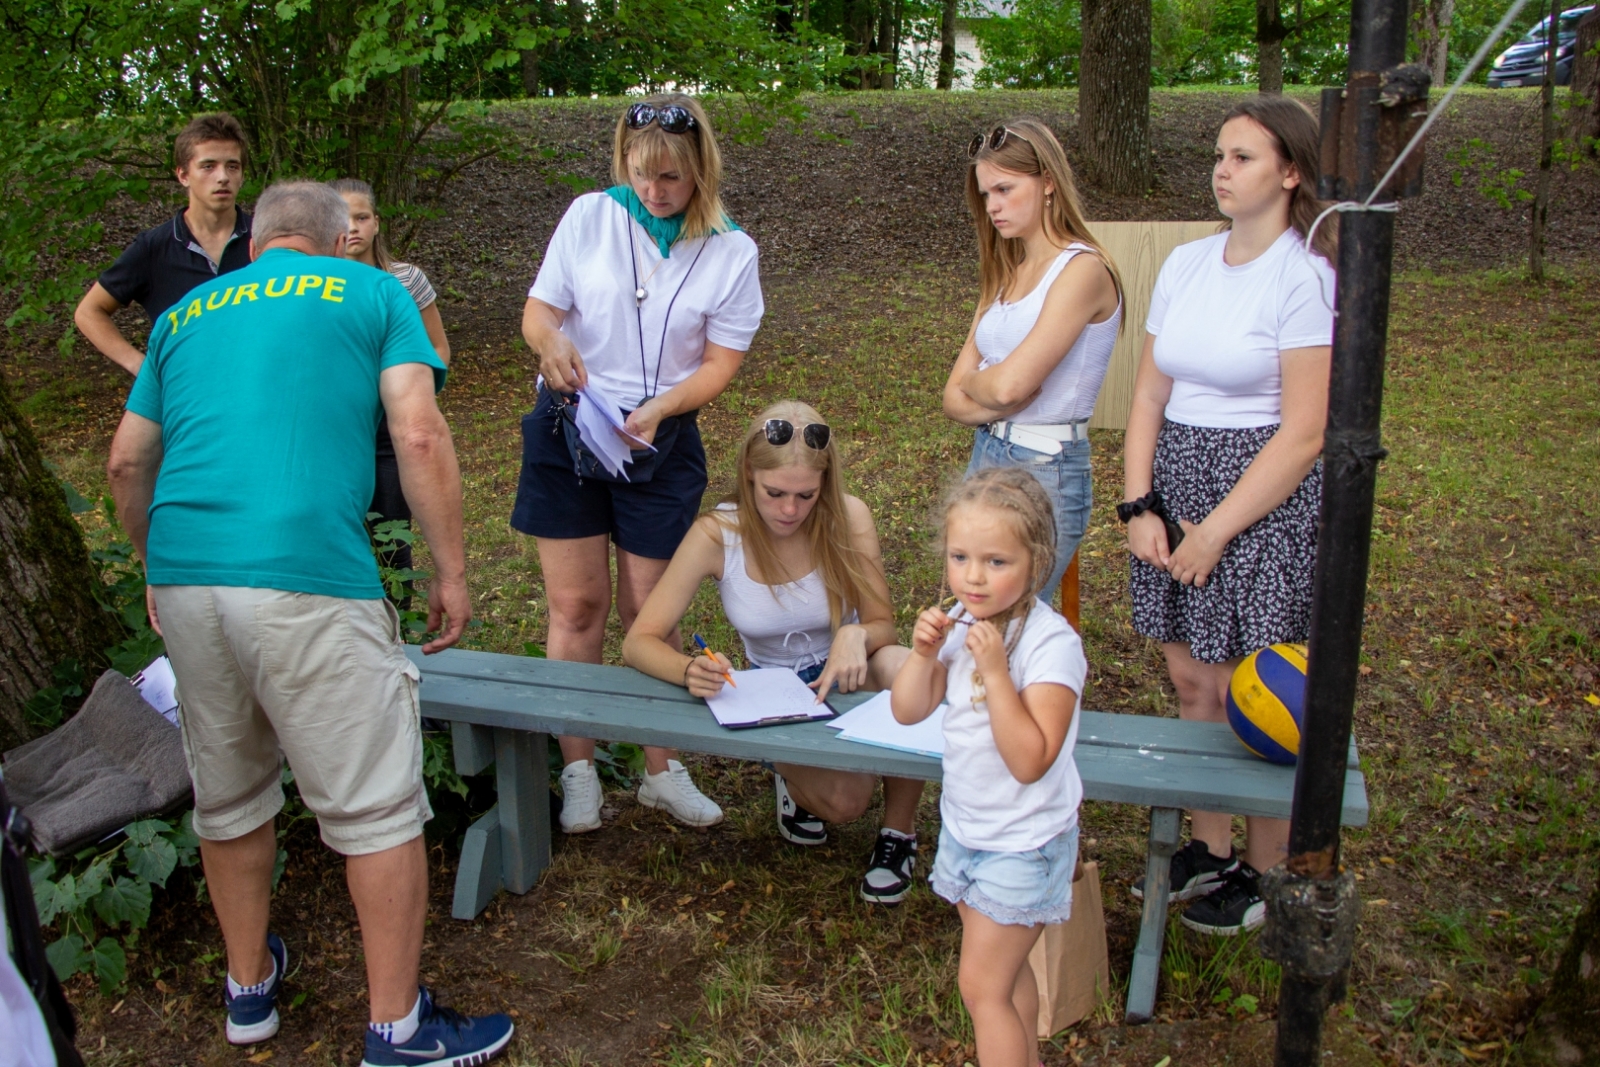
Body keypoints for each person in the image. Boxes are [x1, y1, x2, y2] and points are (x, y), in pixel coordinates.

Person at [105, 181, 513, 1065]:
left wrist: (154, 564)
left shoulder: (181, 316)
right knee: (376, 804)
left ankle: (248, 991)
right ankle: (397, 1030)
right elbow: (419, 435)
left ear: (255, 241)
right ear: (337, 239)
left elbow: (128, 459)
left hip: (186, 576)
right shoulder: (373, 291)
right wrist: (451, 569)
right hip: (309, 577)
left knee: (230, 795)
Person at [515, 92, 764, 834]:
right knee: (577, 607)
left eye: (671, 178)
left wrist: (661, 407)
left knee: (650, 613)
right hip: (568, 434)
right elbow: (541, 312)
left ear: (701, 172)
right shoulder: (589, 215)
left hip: (660, 440)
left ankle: (661, 767)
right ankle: (579, 766)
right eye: (641, 171)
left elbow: (722, 362)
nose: (653, 190)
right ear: (623, 159)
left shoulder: (732, 249)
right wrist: (550, 344)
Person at [1119, 96, 1335, 936]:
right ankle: (1207, 848)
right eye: (1219, 154)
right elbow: (1148, 392)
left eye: (1243, 157)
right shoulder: (1184, 265)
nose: (1221, 169)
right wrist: (1143, 504)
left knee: (1259, 687)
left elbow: (1306, 431)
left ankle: (1266, 864)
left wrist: (1217, 530)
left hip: (1261, 502)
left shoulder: (1305, 273)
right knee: (1192, 680)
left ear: (1289, 172)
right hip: (1176, 483)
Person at [623, 400, 924, 904]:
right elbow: (639, 639)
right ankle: (791, 771)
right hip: (775, 693)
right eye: (774, 493)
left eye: (806, 495)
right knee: (847, 801)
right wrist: (687, 669)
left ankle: (899, 835)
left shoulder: (849, 517)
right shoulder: (718, 534)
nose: (789, 510)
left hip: (847, 673)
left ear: (825, 484)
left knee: (909, 667)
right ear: (748, 475)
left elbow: (881, 626)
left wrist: (856, 635)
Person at [891, 467, 1086, 1067]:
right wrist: (924, 655)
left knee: (982, 988)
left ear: (1037, 561)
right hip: (970, 828)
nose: (973, 576)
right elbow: (907, 710)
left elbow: (1031, 760)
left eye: (996, 562)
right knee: (1006, 976)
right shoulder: (961, 622)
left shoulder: (1050, 645)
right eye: (960, 557)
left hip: (1024, 842)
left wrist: (998, 675)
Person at [942, 118, 1124, 597]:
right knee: (971, 612)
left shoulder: (1081, 269)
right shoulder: (1006, 272)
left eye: (1004, 188)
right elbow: (954, 399)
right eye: (985, 195)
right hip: (988, 450)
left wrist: (989, 386)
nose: (993, 206)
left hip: (1045, 463)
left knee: (1012, 620)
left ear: (1047, 182)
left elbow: (1005, 387)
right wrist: (997, 391)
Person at [331, 178, 453, 601]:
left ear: (377, 222)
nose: (354, 228)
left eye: (362, 217)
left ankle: (399, 628)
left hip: (391, 430)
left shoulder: (405, 279)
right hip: (337, 428)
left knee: (391, 538)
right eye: (344, 219)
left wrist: (416, 393)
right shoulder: (320, 285)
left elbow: (437, 347)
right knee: (339, 533)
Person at [75, 113, 254, 376]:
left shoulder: (265, 238)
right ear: (183, 175)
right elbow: (89, 312)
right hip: (184, 399)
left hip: (258, 392)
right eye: (208, 166)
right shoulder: (154, 248)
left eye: (232, 166)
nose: (222, 177)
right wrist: (141, 367)